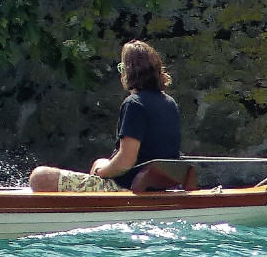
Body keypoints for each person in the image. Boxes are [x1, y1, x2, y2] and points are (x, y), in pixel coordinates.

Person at [29, 40, 181, 193]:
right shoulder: (169, 102)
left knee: (40, 177)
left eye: (122, 68)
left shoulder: (135, 104)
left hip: (129, 187)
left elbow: (126, 161)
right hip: (157, 184)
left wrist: (100, 172)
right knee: (100, 162)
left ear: (128, 72)